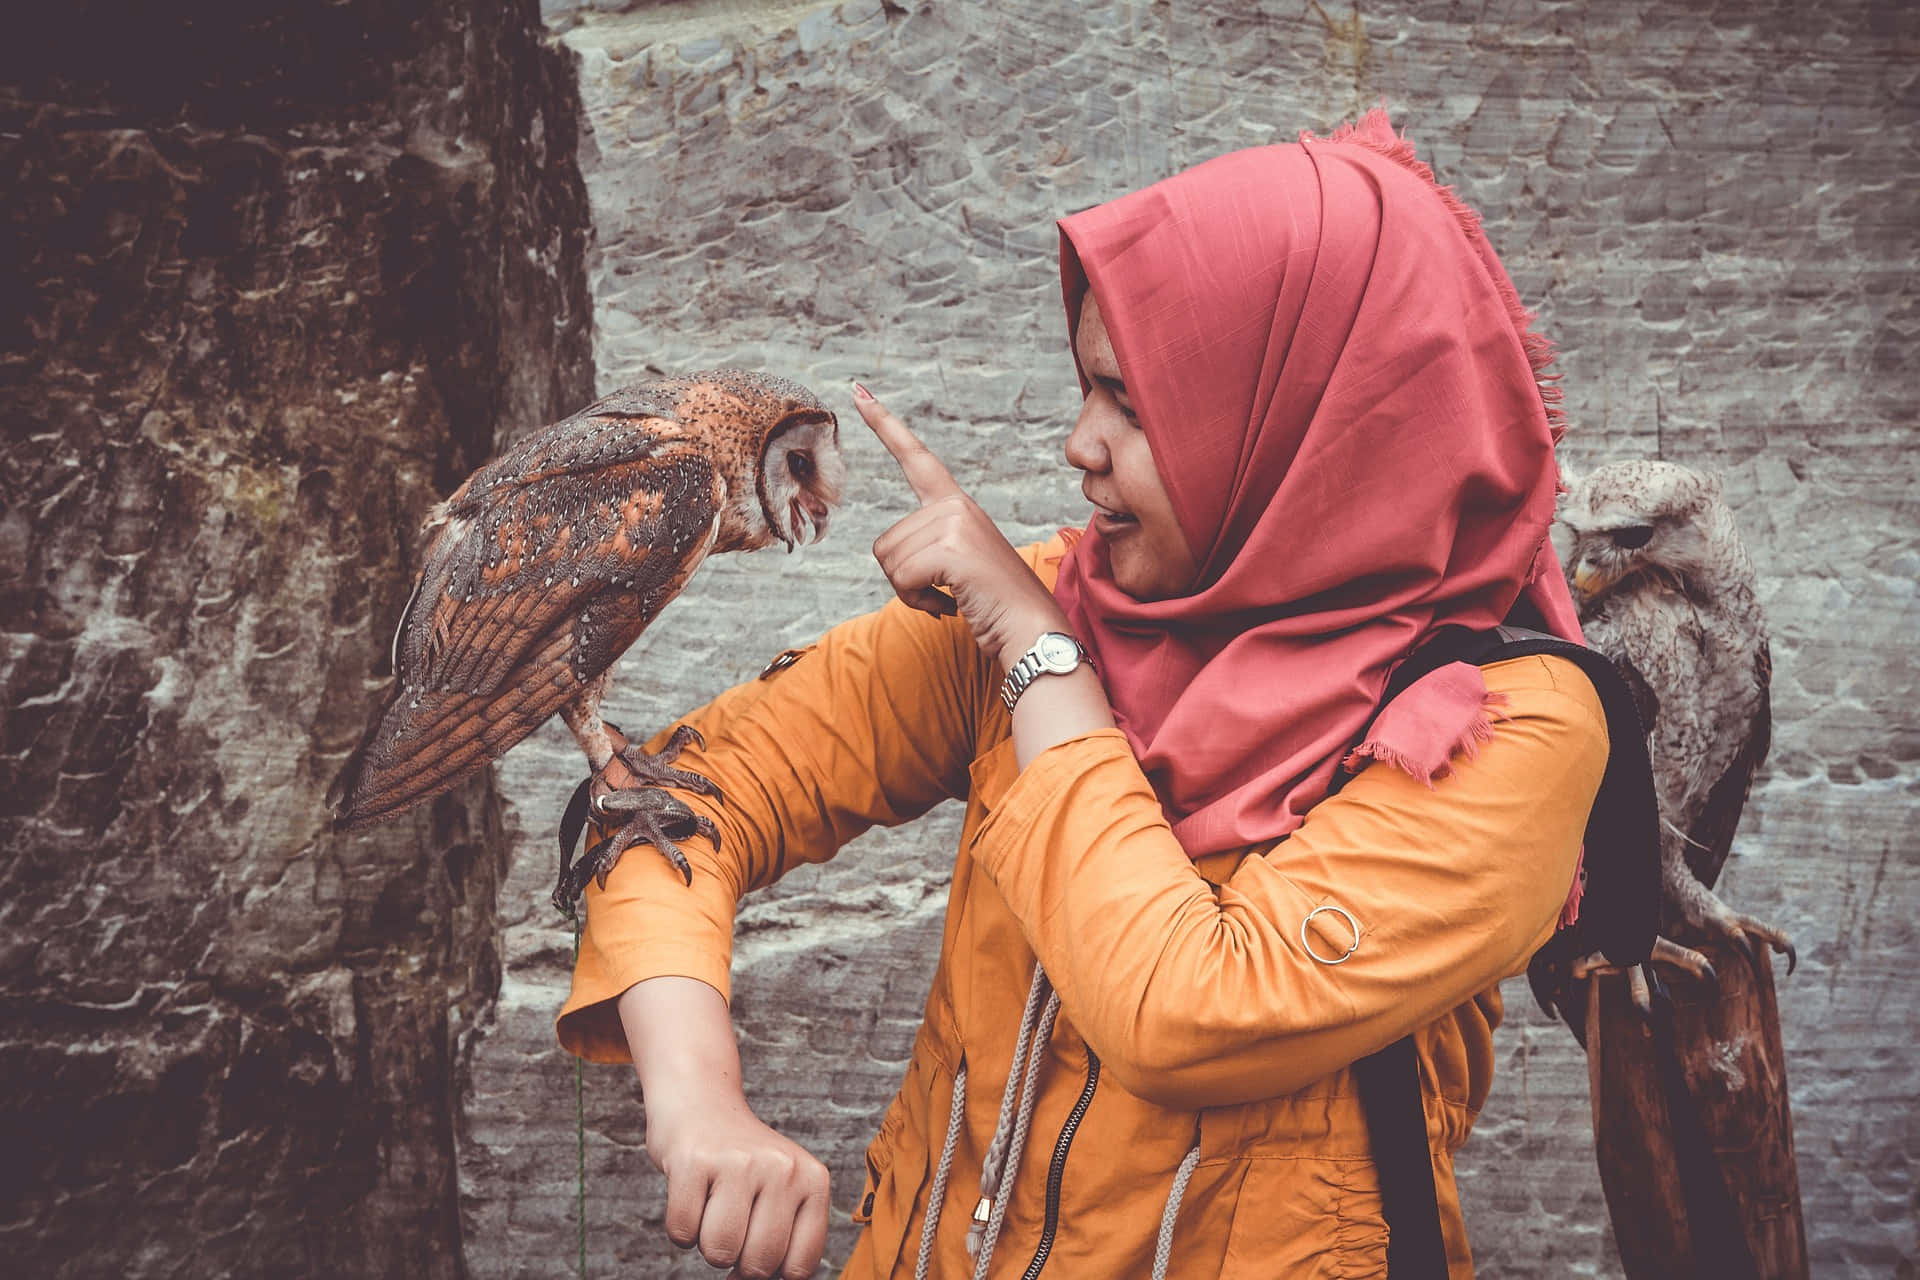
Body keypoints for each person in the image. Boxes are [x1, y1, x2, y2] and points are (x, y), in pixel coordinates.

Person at [555, 110, 1604, 1280]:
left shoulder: (1503, 727)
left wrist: (1041, 659)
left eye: (1136, 402)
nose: (1077, 444)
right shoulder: (1065, 600)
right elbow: (672, 799)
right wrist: (701, 1104)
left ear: (1306, 419)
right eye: (1085, 386)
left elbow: (1186, 1008)